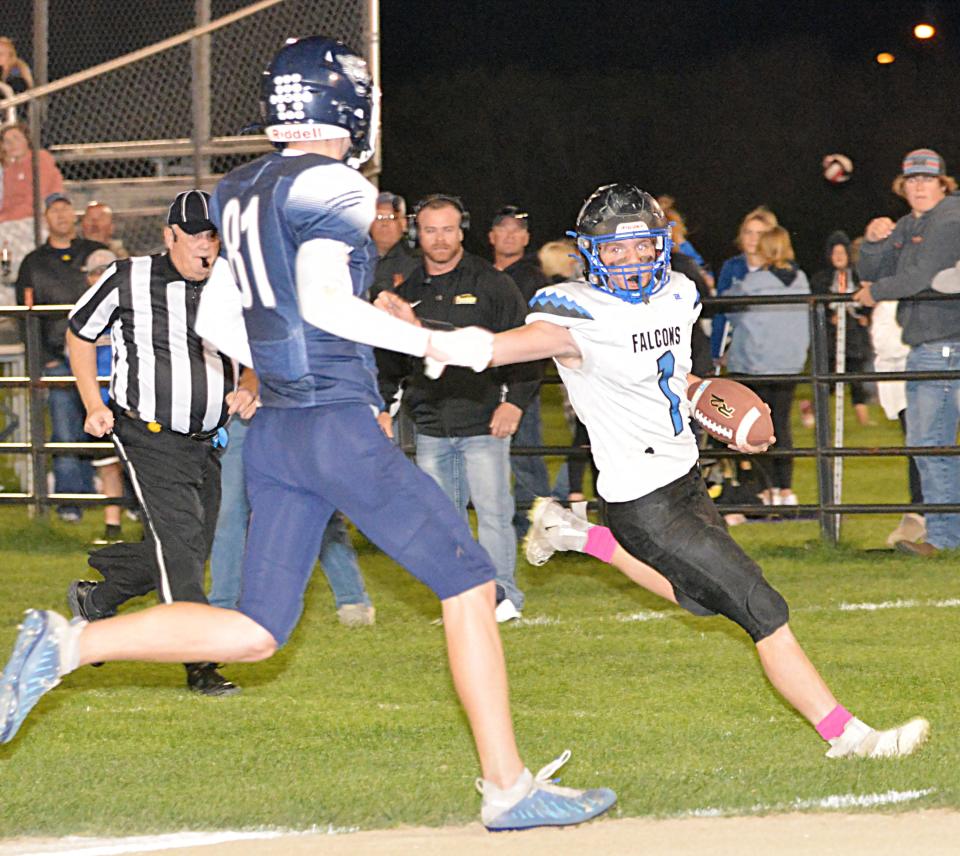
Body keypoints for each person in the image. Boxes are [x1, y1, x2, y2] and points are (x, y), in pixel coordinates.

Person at [0, 37, 616, 832]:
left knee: (257, 631)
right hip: (331, 422)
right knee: (469, 582)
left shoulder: (243, 186)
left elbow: (219, 318)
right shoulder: (332, 182)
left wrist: (288, 362)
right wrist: (436, 342)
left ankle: (68, 644)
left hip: (282, 433)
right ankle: (508, 787)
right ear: (349, 105)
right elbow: (325, 304)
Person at [379, 183, 929, 761]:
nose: (631, 261)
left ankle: (576, 534)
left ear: (660, 245)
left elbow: (678, 378)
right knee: (760, 607)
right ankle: (849, 735)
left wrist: (714, 404)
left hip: (684, 476)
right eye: (614, 251)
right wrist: (412, 334)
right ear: (589, 253)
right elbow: (489, 349)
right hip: (643, 502)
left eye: (641, 247)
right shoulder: (573, 317)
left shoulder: (678, 295)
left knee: (698, 601)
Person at [65, 189, 255, 696]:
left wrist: (250, 387)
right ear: (170, 235)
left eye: (212, 235)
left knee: (192, 545)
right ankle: (200, 664)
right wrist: (93, 403)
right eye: (194, 235)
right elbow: (80, 333)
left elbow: (258, 343)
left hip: (209, 437)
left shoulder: (231, 283)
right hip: (148, 434)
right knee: (181, 550)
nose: (205, 246)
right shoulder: (129, 277)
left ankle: (102, 598)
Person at [376, 194, 539, 622]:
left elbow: (528, 348)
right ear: (417, 234)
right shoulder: (406, 292)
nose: (440, 238)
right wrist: (381, 407)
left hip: (483, 422)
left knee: (494, 513)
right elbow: (389, 362)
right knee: (444, 521)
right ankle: (462, 596)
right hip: (429, 425)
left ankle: (504, 597)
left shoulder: (492, 282)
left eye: (448, 228)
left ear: (462, 230)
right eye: (430, 230)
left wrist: (515, 404)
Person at [855, 148, 960, 557]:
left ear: (942, 183)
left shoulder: (950, 217)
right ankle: (945, 537)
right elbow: (873, 270)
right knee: (926, 443)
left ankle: (945, 539)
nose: (919, 186)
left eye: (927, 179)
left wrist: (874, 294)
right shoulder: (909, 223)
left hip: (945, 345)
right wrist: (874, 240)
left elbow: (919, 276)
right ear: (903, 185)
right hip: (925, 345)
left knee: (931, 443)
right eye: (912, 179)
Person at [207, 414, 377, 627]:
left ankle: (353, 600)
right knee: (229, 512)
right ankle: (223, 605)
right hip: (240, 421)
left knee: (319, 515)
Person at [15, 192, 104, 521]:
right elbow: (26, 318)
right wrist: (42, 362)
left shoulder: (92, 254)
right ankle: (71, 500)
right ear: (46, 218)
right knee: (66, 428)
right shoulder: (33, 263)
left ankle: (124, 500)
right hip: (59, 359)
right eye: (55, 211)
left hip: (102, 356)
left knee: (116, 425)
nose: (62, 216)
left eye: (67, 209)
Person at [725, 226, 810, 506]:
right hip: (789, 364)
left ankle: (764, 489)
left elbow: (731, 311)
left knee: (755, 426)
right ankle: (786, 489)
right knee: (782, 426)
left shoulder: (753, 282)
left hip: (754, 364)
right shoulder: (801, 280)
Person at [489, 205, 550, 539]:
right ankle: (504, 520)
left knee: (526, 451)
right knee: (487, 454)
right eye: (503, 228)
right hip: (484, 377)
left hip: (521, 377)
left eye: (517, 229)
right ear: (491, 236)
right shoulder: (483, 274)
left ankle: (535, 523)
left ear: (526, 238)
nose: (510, 234)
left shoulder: (534, 279)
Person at [79, 247, 126, 544]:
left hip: (128, 396)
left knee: (139, 462)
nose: (99, 277)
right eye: (94, 272)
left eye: (105, 270)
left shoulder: (131, 306)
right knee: (107, 463)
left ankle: (151, 524)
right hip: (98, 397)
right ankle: (113, 525)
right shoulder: (85, 310)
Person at [810, 231, 873, 427]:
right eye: (834, 253)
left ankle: (864, 420)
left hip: (854, 336)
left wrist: (865, 316)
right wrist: (830, 316)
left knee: (856, 377)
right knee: (827, 380)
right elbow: (815, 304)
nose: (838, 257)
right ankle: (814, 413)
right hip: (830, 338)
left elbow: (868, 300)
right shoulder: (821, 279)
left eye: (842, 252)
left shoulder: (858, 276)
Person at [711, 206, 778, 364]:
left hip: (772, 352)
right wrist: (715, 353)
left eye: (760, 233)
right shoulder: (732, 267)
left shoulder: (780, 270)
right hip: (741, 353)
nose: (753, 238)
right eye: (748, 232)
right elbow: (721, 311)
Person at [0, 123, 65, 277]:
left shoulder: (40, 159)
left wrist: (4, 218)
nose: (12, 144)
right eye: (7, 141)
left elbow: (36, 198)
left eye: (16, 138)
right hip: (11, 222)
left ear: (26, 140)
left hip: (34, 220)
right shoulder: (9, 168)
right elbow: (7, 201)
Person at [368, 191, 418, 299]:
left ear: (403, 224)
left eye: (391, 217)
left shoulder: (417, 262)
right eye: (379, 217)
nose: (384, 223)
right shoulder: (355, 259)